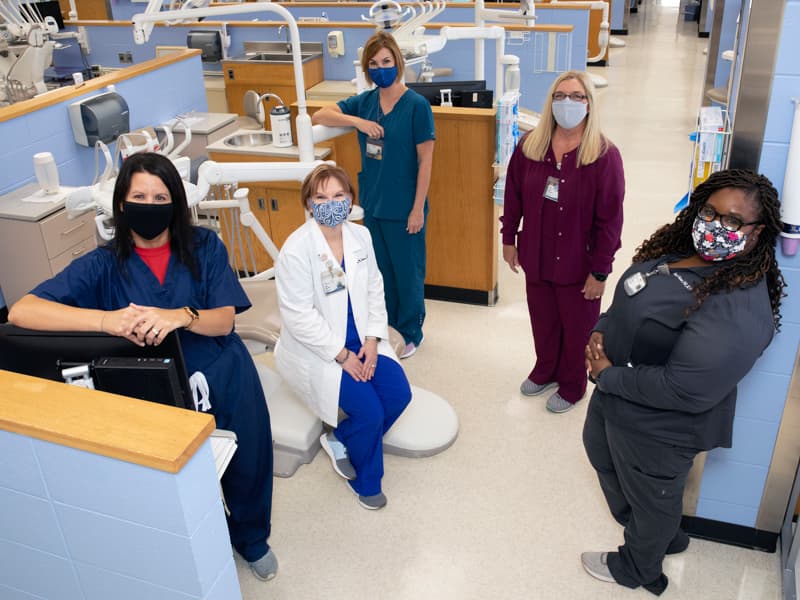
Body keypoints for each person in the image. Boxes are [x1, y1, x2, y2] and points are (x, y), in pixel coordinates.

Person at [8, 152, 278, 582]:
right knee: (173, 477)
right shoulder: (102, 265)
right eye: (140, 196)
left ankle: (251, 538)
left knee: (248, 460)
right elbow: (23, 311)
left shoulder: (204, 246)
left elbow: (225, 319)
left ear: (175, 203)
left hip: (223, 372)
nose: (150, 205)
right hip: (155, 386)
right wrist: (104, 320)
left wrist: (181, 315)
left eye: (160, 196)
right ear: (121, 205)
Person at [581, 169, 785, 595]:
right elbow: (631, 299)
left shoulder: (736, 307)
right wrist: (603, 326)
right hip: (618, 399)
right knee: (609, 463)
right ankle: (660, 529)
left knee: (652, 495)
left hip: (658, 428)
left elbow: (685, 389)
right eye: (709, 212)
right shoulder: (679, 252)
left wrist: (609, 375)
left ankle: (639, 568)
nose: (714, 226)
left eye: (732, 221)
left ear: (755, 233)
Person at [274, 164, 412, 510]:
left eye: (338, 196)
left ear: (350, 201)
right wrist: (342, 355)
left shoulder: (360, 237)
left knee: (398, 395)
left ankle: (342, 438)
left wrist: (371, 340)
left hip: (363, 341)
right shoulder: (296, 250)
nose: (330, 203)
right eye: (320, 197)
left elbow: (374, 287)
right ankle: (366, 482)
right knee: (370, 412)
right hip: (320, 351)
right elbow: (298, 317)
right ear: (308, 203)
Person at [501, 70, 625, 414]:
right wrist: (508, 238)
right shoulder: (530, 146)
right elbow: (513, 196)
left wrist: (600, 272)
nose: (566, 103)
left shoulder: (603, 156)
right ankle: (545, 370)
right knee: (543, 319)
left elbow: (610, 221)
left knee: (577, 329)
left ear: (589, 103)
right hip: (537, 256)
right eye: (559, 96)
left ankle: (572, 384)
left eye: (576, 96)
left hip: (578, 263)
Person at [311, 31, 435, 359]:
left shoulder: (416, 106)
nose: (381, 68)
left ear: (398, 62)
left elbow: (426, 162)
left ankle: (410, 332)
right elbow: (319, 115)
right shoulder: (365, 102)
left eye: (386, 62)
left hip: (406, 205)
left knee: (408, 274)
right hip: (374, 204)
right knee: (381, 273)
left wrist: (418, 209)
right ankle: (388, 328)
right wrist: (358, 122)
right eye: (374, 64)